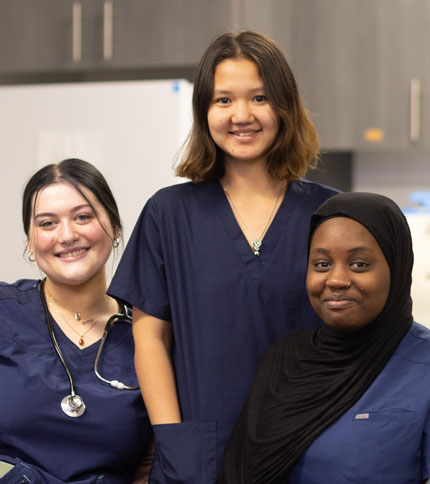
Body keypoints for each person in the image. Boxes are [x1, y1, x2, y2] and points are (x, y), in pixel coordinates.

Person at [108, 31, 338, 483]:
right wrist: (173, 442)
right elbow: (150, 339)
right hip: (199, 455)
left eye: (259, 97)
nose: (242, 115)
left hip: (311, 445)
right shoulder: (168, 213)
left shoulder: (330, 215)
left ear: (285, 108)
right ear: (204, 112)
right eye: (223, 100)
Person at [217, 191, 430, 484]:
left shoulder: (423, 365)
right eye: (321, 264)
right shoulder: (285, 360)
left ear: (397, 267)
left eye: (359, 264)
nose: (336, 280)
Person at [0, 159, 152, 484]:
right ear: (30, 240)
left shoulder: (147, 334)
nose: (67, 235)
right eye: (47, 223)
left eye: (83, 217)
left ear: (114, 225)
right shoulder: (5, 311)